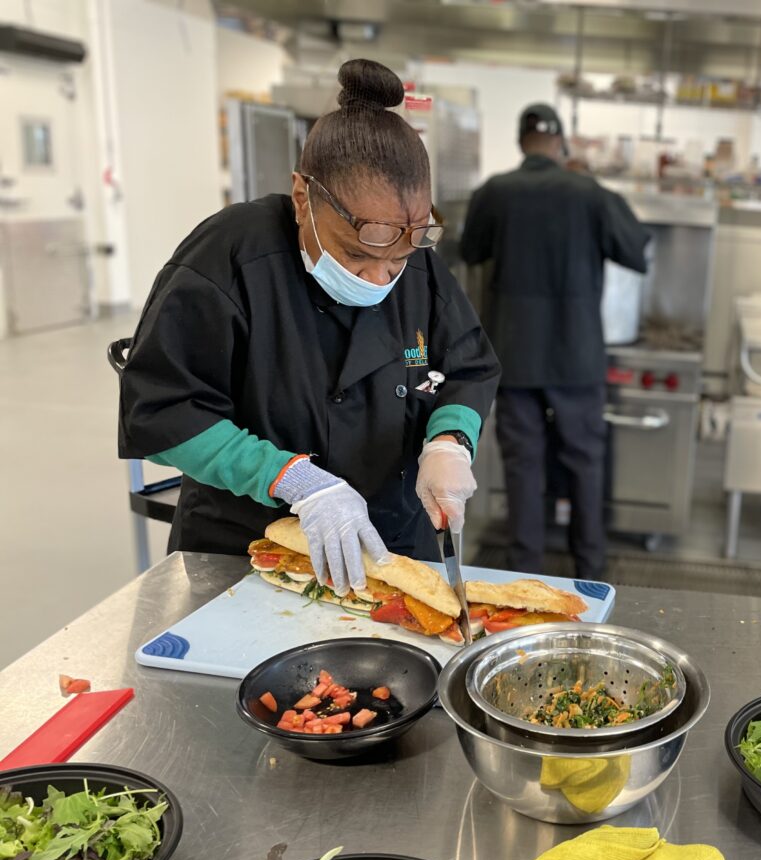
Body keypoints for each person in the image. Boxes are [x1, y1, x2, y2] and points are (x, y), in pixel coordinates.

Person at [118, 59, 500, 596]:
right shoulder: (228, 258)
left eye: (397, 262)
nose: (380, 278)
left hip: (392, 547)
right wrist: (296, 481)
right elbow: (164, 409)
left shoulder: (417, 259)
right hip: (245, 555)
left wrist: (450, 444)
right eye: (358, 256)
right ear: (303, 199)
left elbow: (467, 365)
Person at [461, 103, 649, 581]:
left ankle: (526, 573)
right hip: (577, 355)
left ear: (521, 142)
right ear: (560, 142)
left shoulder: (495, 192)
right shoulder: (589, 192)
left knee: (524, 466)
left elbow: (470, 250)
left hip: (515, 353)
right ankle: (590, 568)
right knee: (585, 463)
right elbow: (636, 246)